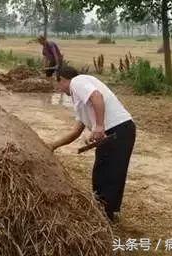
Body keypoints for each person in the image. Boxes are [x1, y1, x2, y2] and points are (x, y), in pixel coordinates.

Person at [50, 65, 136, 222]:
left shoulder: (77, 82)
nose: (60, 89)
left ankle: (106, 215)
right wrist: (52, 146)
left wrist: (99, 126)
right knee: (101, 171)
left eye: (58, 85)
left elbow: (97, 97)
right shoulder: (80, 100)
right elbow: (75, 132)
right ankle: (103, 212)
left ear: (62, 79)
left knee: (110, 173)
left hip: (119, 129)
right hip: (112, 133)